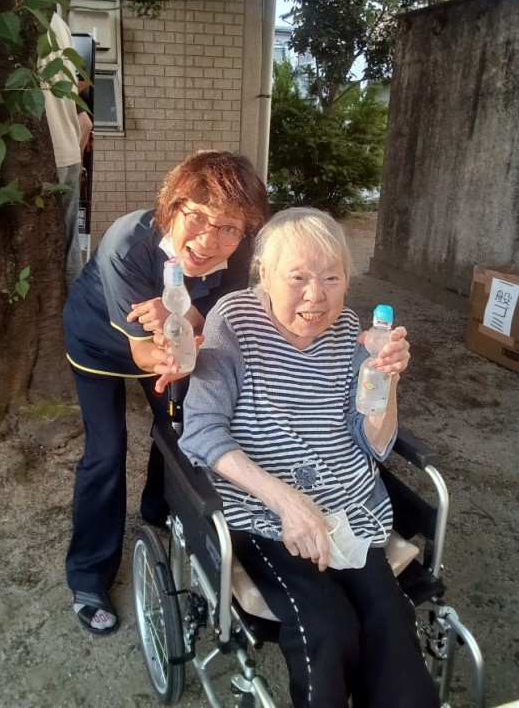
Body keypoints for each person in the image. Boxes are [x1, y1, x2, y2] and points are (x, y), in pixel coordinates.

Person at [178, 207, 441, 708]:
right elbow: (202, 431)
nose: (316, 296)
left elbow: (374, 442)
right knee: (327, 628)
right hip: (265, 512)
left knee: (390, 621)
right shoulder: (233, 321)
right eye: (297, 277)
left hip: (348, 508)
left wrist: (385, 381)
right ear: (265, 274)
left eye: (332, 278)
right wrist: (286, 502)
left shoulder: (350, 331)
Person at [63, 150, 269, 635]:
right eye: (197, 217)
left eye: (228, 227)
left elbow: (210, 312)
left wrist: (181, 320)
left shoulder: (238, 251)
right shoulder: (128, 242)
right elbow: (144, 354)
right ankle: (89, 577)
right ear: (172, 206)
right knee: (106, 451)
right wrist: (181, 341)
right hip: (99, 341)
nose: (209, 240)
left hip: (173, 341)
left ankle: (159, 509)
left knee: (179, 429)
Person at [39, 11, 84, 289]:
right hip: (67, 148)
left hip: (38, 154)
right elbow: (85, 121)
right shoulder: (57, 22)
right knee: (68, 247)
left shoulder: (13, 11)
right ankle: (74, 311)